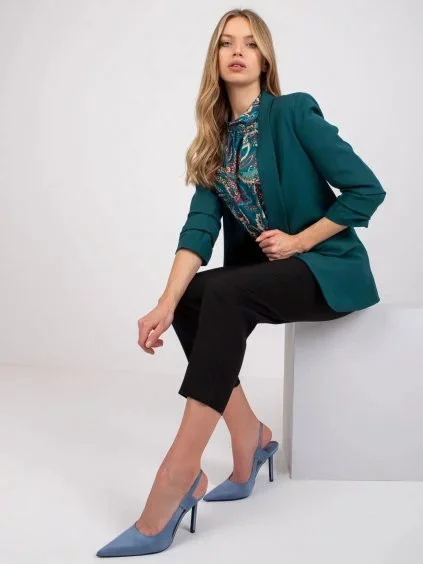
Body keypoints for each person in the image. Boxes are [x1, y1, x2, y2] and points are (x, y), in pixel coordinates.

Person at [96, 8, 386, 558]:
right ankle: (249, 436)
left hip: (327, 271)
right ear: (215, 59)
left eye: (250, 43)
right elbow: (198, 230)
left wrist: (300, 241)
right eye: (227, 43)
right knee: (193, 298)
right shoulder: (215, 143)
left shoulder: (293, 113)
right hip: (270, 276)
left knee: (225, 293)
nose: (237, 52)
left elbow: (366, 190)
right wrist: (164, 303)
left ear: (264, 57)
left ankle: (177, 476)